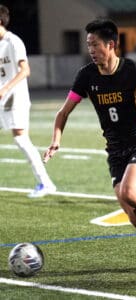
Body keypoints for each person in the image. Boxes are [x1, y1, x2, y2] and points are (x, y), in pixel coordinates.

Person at [44, 19, 136, 270]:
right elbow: (63, 112)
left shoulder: (133, 70)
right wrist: (55, 141)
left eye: (95, 44)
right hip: (115, 151)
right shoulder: (86, 76)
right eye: (88, 45)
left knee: (129, 192)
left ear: (111, 45)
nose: (90, 49)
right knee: (135, 218)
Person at [0, 5, 56, 198]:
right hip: (2, 99)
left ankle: (45, 183)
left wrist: (6, 88)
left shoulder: (13, 41)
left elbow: (25, 70)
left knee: (21, 139)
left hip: (15, 98)